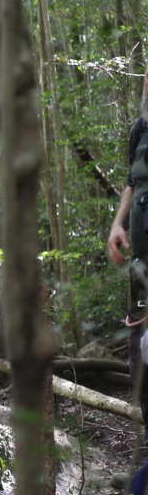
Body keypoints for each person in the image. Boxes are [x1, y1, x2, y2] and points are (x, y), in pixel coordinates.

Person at [107, 70, 148, 443]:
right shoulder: (140, 129)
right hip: (140, 270)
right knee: (140, 354)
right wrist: (118, 224)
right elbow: (132, 184)